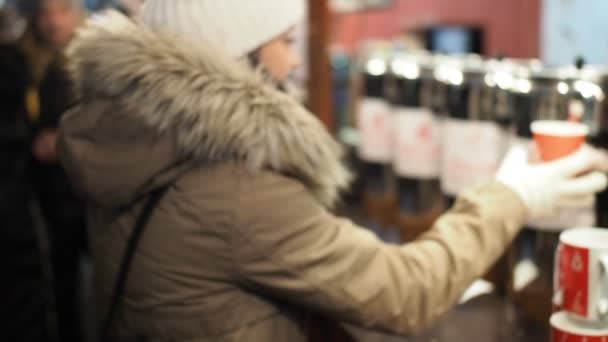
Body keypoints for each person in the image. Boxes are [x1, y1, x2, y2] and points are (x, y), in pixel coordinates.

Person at [57, 1, 608, 341]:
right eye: (286, 42)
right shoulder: (235, 193)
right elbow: (406, 293)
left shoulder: (135, 145)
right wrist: (513, 194)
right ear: (234, 58)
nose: (296, 62)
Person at [4, 0, 86, 341]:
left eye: (62, 12)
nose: (53, 22)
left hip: (88, 191)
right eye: (45, 14)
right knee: (60, 287)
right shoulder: (19, 64)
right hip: (45, 198)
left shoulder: (94, 62)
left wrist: (68, 142)